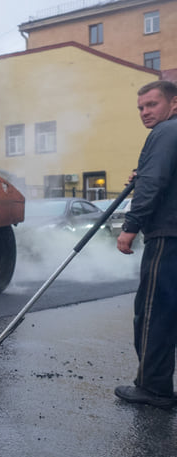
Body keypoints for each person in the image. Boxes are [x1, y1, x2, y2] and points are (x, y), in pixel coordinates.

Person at [114, 79, 177, 409]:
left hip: (168, 236)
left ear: (173, 103)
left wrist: (131, 226)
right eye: (140, 107)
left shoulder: (165, 133)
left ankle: (153, 388)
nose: (144, 112)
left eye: (151, 104)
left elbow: (154, 182)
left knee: (155, 313)